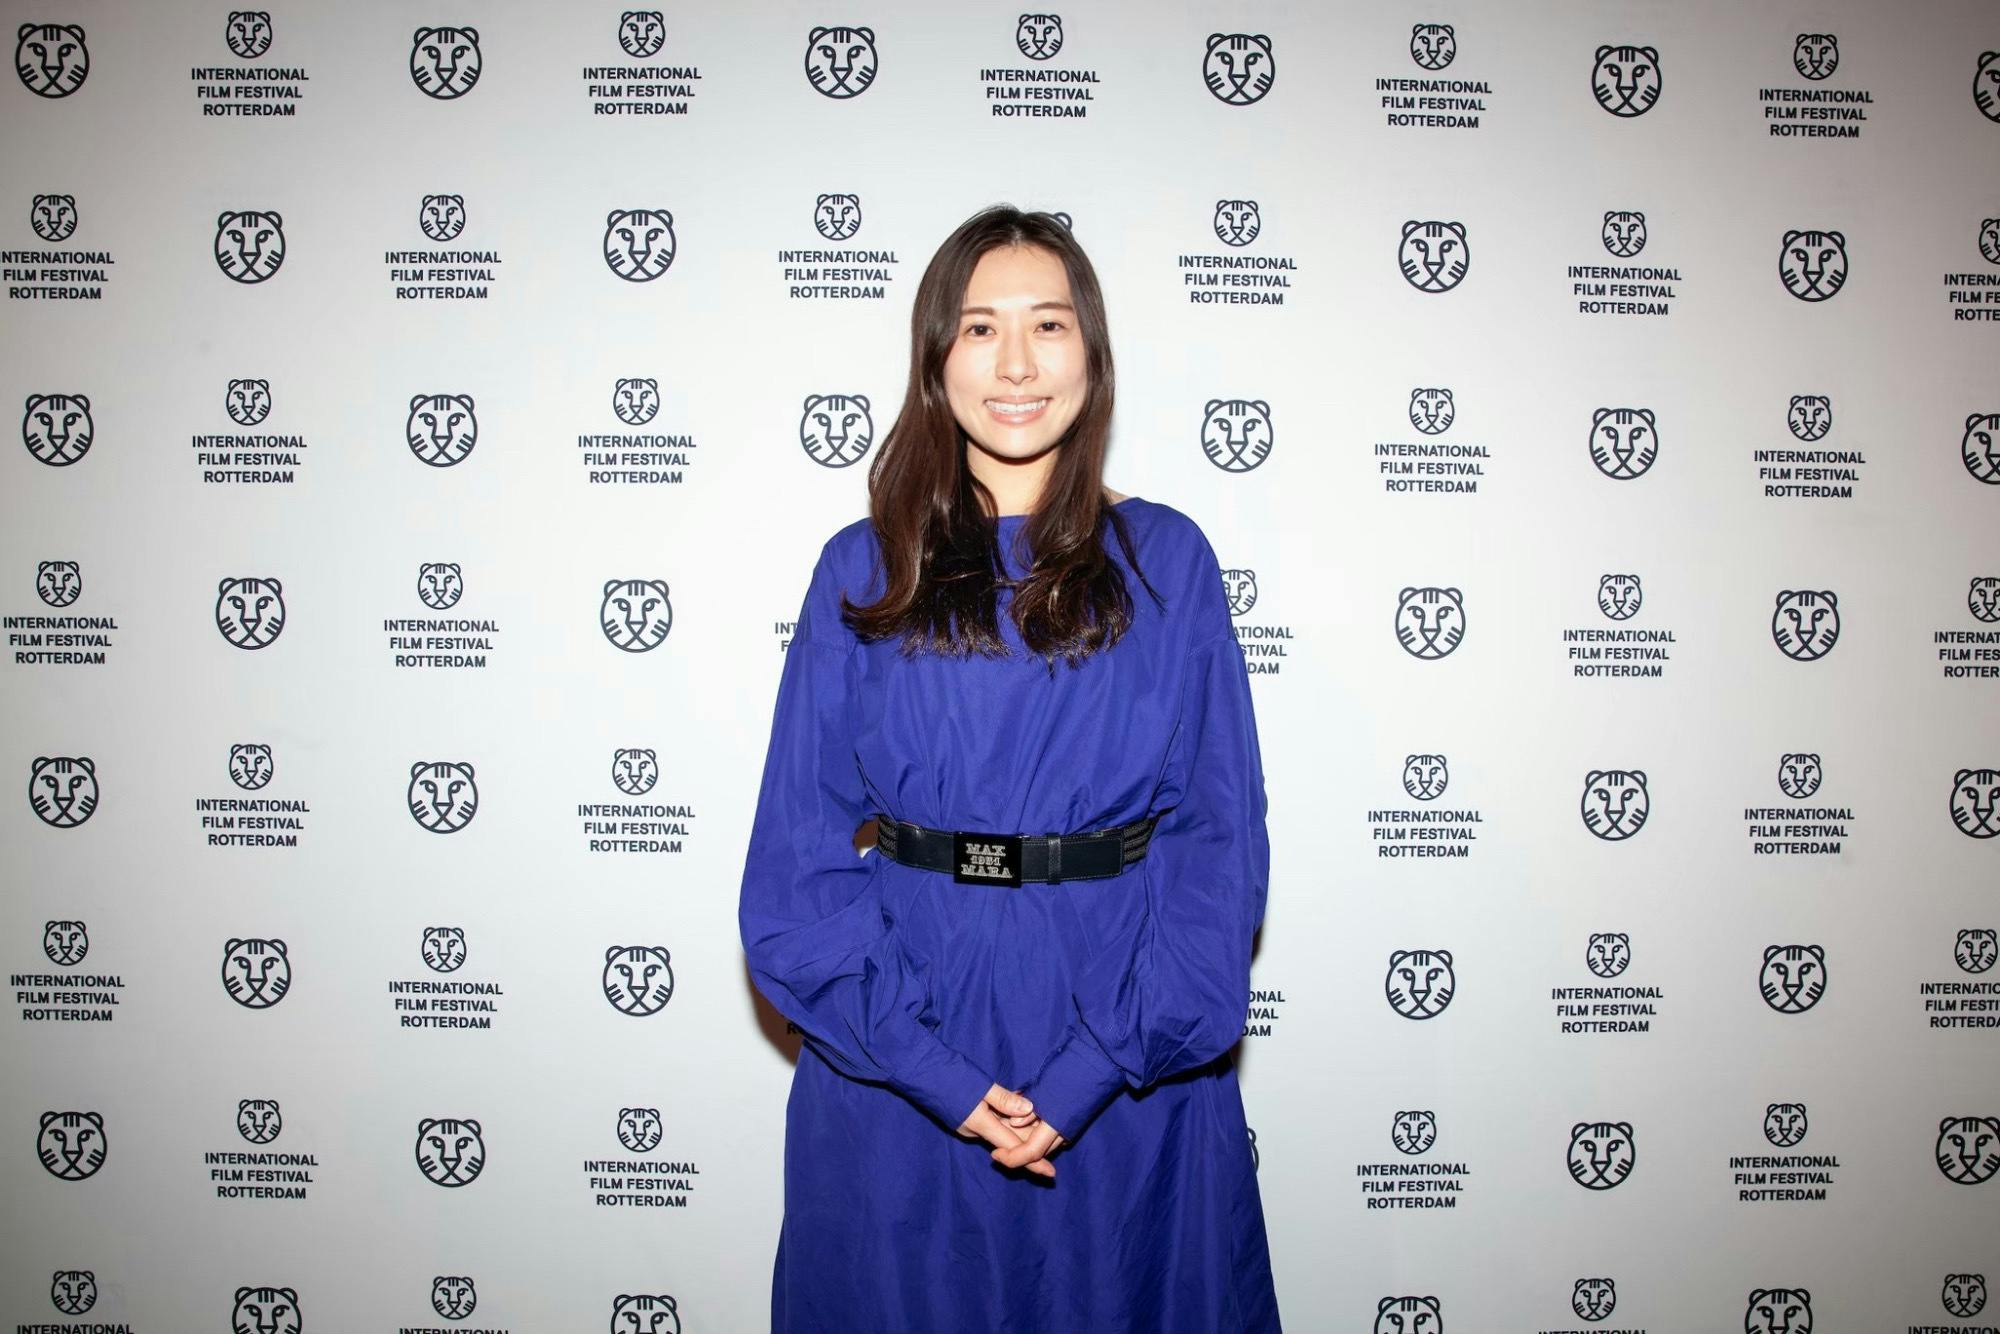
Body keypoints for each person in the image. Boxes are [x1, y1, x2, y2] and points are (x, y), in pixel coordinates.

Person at [738, 204, 1280, 1332]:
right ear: (937, 359)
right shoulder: (863, 569)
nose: (1018, 363)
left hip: (1123, 1044)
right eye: (981, 328)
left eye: (1049, 324)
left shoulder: (1168, 561)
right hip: (900, 1055)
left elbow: (1216, 842)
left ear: (1092, 353)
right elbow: (794, 865)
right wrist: (933, 1074)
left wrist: (1094, 1067)